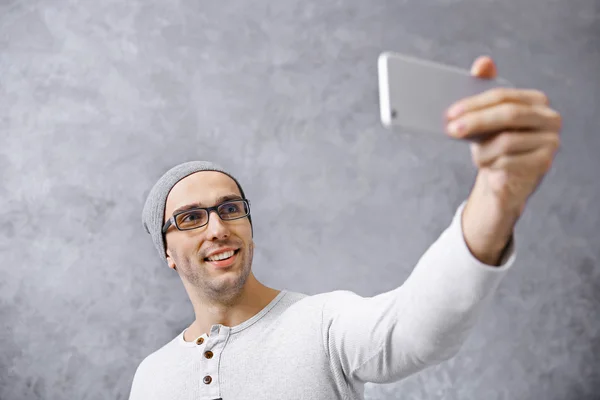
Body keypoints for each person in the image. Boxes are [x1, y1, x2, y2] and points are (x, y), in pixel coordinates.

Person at [128, 56, 562, 400]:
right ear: (166, 250)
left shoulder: (323, 324)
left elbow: (419, 329)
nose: (217, 227)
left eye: (230, 208)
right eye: (190, 218)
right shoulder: (150, 377)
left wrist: (496, 198)